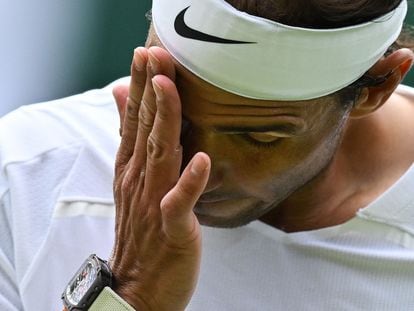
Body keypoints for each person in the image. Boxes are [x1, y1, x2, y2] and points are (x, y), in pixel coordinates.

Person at [1, 0, 414, 310]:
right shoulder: (20, 175)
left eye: (260, 137)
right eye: (172, 113)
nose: (195, 174)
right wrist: (130, 294)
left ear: (377, 88)